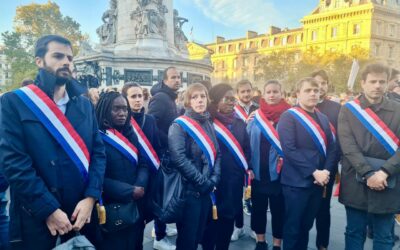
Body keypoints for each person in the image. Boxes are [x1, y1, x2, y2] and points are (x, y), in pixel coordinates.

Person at [0, 35, 106, 249]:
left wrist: (91, 197)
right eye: (58, 56)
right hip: (37, 217)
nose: (66, 62)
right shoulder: (14, 102)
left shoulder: (84, 105)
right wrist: (47, 210)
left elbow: (98, 153)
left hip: (81, 214)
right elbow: (13, 162)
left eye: (70, 57)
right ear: (39, 61)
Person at [338, 63, 400, 250]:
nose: (377, 86)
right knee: (354, 233)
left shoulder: (398, 109)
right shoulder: (348, 110)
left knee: (384, 236)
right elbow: (348, 146)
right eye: (372, 81)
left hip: (388, 180)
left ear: (388, 83)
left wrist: (384, 172)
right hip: (356, 180)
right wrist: (368, 174)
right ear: (363, 83)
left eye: (382, 81)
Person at [277, 77, 337, 250]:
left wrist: (326, 171)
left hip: (318, 182)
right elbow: (289, 150)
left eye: (316, 90)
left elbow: (333, 146)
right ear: (298, 94)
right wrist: (314, 171)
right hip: (296, 183)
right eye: (308, 90)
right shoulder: (289, 117)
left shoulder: (323, 118)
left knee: (306, 226)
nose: (313, 93)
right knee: (293, 228)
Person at [169, 83, 221, 250]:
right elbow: (179, 158)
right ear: (188, 101)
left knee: (199, 234)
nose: (199, 100)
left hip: (205, 190)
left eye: (202, 96)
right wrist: (203, 182)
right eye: (194, 97)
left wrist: (214, 178)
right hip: (188, 191)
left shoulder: (207, 122)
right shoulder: (178, 125)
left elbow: (217, 153)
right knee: (187, 239)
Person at [95, 92, 149, 250]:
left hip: (136, 204)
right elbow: (96, 177)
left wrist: (139, 187)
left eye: (125, 109)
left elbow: (143, 164)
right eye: (116, 109)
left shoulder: (131, 133)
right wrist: (128, 191)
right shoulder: (96, 137)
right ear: (105, 110)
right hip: (113, 208)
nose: (122, 113)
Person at [202, 83, 251, 250]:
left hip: (233, 181)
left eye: (233, 99)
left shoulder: (239, 123)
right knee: (210, 221)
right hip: (212, 181)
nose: (232, 103)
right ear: (215, 101)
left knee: (228, 219)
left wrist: (248, 168)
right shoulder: (206, 122)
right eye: (228, 99)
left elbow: (246, 149)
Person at [246, 80, 291, 250]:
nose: (272, 95)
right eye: (269, 92)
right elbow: (246, 143)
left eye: (275, 91)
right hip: (258, 172)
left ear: (282, 94)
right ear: (263, 94)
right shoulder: (255, 116)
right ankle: (261, 241)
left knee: (279, 211)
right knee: (258, 209)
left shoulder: (290, 115)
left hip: (281, 175)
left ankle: (277, 244)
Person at [148, 66, 181, 250]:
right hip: (162, 153)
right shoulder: (161, 98)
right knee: (162, 194)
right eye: (173, 77)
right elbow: (151, 123)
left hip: (167, 151)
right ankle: (159, 238)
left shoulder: (169, 97)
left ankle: (162, 228)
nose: (177, 80)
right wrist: (169, 140)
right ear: (165, 80)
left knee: (166, 192)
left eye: (178, 77)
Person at [311, 70, 341, 250]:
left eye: (323, 83)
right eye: (316, 83)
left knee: (323, 209)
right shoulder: (299, 108)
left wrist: (331, 168)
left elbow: (339, 142)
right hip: (304, 169)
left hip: (327, 168)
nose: (320, 87)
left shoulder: (336, 108)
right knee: (301, 210)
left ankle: (322, 244)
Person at [122, 82, 160, 223]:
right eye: (133, 96)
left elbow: (157, 146)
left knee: (146, 213)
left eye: (140, 96)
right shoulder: (121, 121)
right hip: (130, 176)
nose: (138, 99)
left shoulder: (150, 120)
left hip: (149, 173)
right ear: (125, 99)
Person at [231, 79, 259, 241]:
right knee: (236, 196)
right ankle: (238, 226)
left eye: (248, 91)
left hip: (255, 158)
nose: (246, 94)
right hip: (237, 158)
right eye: (243, 91)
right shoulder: (232, 110)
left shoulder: (259, 109)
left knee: (255, 195)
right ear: (238, 94)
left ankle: (255, 228)